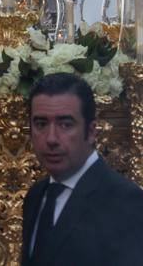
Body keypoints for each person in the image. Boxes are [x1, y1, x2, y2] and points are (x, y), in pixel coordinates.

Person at [22, 72, 143, 265]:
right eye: (41, 124)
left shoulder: (125, 201)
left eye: (65, 124)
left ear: (91, 131)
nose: (51, 138)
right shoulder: (35, 196)